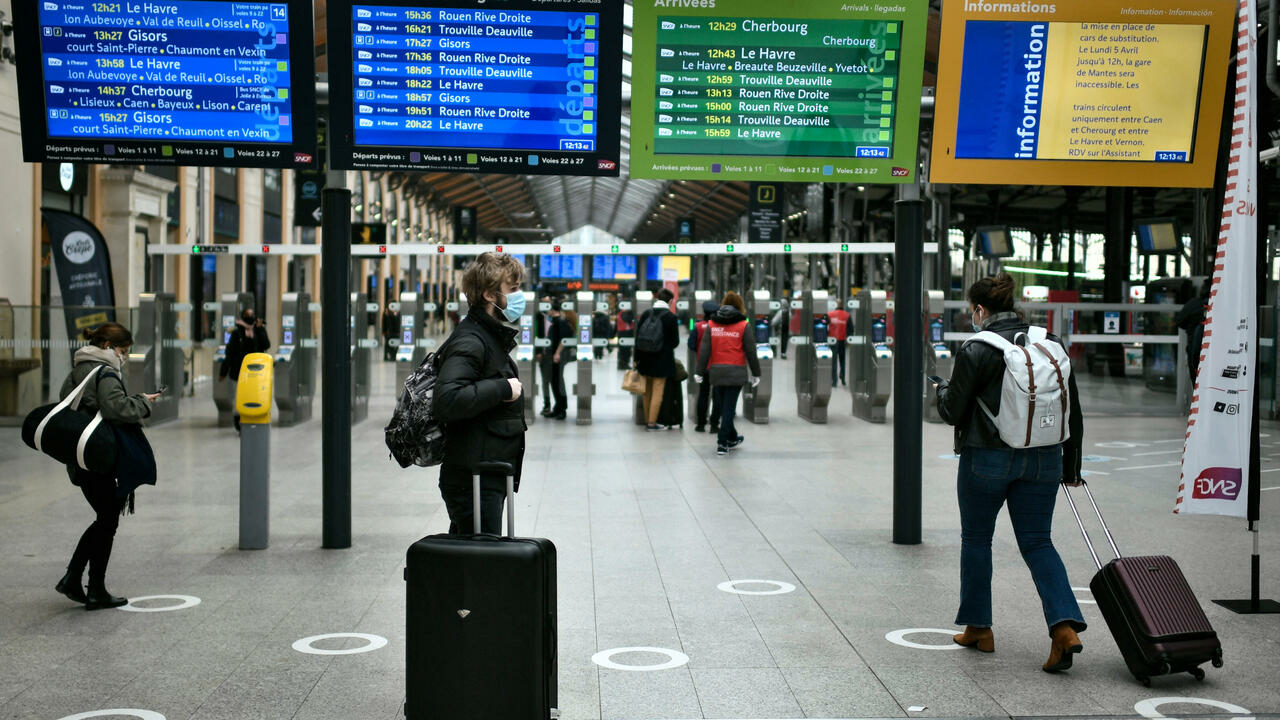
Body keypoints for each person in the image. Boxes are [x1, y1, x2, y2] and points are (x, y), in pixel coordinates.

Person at [934, 272, 1087, 673]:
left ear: (980, 310)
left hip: (987, 458)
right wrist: (1070, 467)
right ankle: (1064, 627)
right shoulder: (1049, 342)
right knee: (1038, 542)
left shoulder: (977, 348)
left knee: (977, 539)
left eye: (973, 310)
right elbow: (1072, 409)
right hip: (1044, 457)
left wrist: (940, 391)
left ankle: (979, 628)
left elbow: (952, 411)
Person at [55, 323, 161, 610]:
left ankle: (76, 579)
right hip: (99, 457)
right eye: (122, 351)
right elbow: (117, 409)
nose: (123, 357)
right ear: (108, 347)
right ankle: (92, 587)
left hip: (80, 455)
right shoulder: (105, 372)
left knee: (106, 518)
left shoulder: (78, 368)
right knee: (107, 519)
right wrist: (143, 403)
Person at [433, 253, 527, 534]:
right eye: (513, 289)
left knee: (472, 560)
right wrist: (502, 387)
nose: (519, 296)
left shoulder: (486, 335)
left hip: (485, 470)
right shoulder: (472, 340)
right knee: (481, 564)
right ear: (489, 294)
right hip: (474, 476)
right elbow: (447, 399)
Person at [696, 292, 762, 456]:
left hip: (717, 372)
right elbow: (751, 351)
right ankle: (722, 442)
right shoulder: (743, 325)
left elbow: (704, 350)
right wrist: (756, 373)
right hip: (736, 372)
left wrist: (699, 372)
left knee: (724, 405)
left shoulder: (712, 324)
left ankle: (732, 438)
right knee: (728, 408)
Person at [634, 288, 680, 430]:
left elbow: (638, 338)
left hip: (645, 359)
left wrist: (636, 359)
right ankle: (652, 423)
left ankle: (648, 419)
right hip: (662, 360)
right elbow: (675, 342)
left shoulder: (647, 313)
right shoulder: (671, 317)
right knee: (657, 391)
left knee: (647, 391)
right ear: (670, 301)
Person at [221, 307, 271, 432]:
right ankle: (239, 422)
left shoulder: (258, 330)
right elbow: (229, 353)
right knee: (238, 398)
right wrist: (223, 371)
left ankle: (254, 419)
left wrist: (260, 329)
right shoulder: (237, 332)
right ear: (242, 316)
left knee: (255, 396)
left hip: (256, 372)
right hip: (238, 372)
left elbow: (266, 345)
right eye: (247, 314)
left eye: (252, 314)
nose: (250, 317)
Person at [688, 300, 722, 433]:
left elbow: (691, 345)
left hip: (703, 367)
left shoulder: (697, 327)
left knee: (703, 394)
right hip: (718, 366)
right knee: (717, 395)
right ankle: (714, 425)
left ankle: (700, 424)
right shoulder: (720, 327)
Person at [1175, 282, 1210, 385]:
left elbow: (1179, 321)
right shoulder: (1224, 305)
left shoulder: (1193, 304)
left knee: (1197, 384)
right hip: (1218, 354)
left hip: (1195, 351)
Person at [535, 295, 554, 416]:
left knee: (557, 380)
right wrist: (538, 351)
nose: (547, 305)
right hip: (545, 353)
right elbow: (537, 334)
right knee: (545, 380)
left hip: (555, 353)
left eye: (548, 302)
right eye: (544, 302)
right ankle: (547, 404)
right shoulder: (538, 317)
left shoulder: (555, 318)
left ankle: (560, 405)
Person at [828, 300, 851, 387]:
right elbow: (850, 329)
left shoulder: (830, 315)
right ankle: (843, 377)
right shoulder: (847, 315)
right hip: (842, 341)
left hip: (833, 341)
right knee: (842, 360)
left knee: (833, 361)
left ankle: (834, 381)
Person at [615, 306, 635, 370]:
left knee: (623, 350)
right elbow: (628, 319)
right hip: (626, 333)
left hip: (621, 333)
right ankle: (624, 364)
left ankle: (622, 364)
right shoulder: (625, 313)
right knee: (625, 350)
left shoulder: (619, 314)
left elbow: (616, 325)